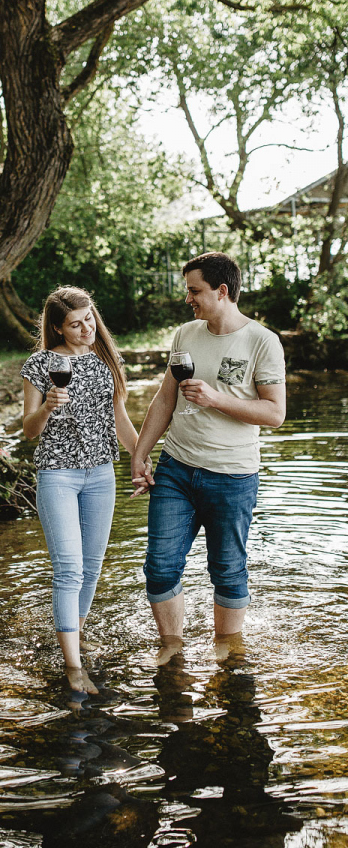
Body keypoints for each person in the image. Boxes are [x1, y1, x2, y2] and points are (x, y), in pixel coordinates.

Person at [131, 252, 286, 659]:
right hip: (176, 469)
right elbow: (165, 399)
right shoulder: (186, 334)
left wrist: (215, 399)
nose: (189, 299)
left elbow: (274, 413)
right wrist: (141, 454)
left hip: (232, 476)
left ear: (222, 291)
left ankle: (227, 653)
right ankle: (172, 649)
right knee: (160, 567)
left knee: (228, 571)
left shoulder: (262, 341)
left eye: (194, 291)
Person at [21, 286, 142, 693]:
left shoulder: (106, 360)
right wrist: (47, 406)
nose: (87, 327)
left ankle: (75, 634)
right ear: (57, 327)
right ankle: (73, 667)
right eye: (75, 323)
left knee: (91, 569)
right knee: (69, 570)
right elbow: (28, 431)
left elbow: (120, 420)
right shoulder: (39, 364)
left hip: (101, 474)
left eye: (89, 318)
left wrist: (140, 457)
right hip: (58, 474)